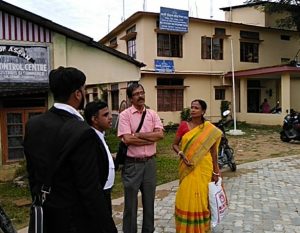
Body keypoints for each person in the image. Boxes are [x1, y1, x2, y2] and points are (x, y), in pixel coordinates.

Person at [23, 67, 117, 233]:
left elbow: (33, 175)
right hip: (74, 221)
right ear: (77, 94)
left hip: (45, 217)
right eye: (83, 89)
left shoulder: (33, 124)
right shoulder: (82, 132)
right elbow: (90, 191)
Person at [118, 83, 164, 233]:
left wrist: (138, 135)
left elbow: (160, 135)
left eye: (142, 92)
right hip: (132, 165)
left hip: (150, 163)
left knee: (149, 202)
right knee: (130, 205)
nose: (141, 96)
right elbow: (127, 139)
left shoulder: (152, 114)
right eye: (137, 94)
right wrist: (150, 138)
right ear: (131, 98)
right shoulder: (125, 115)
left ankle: (148, 231)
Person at [172, 99, 222, 233]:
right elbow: (174, 144)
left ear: (203, 111)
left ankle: (201, 229)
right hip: (187, 167)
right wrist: (181, 153)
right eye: (192, 107)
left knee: (202, 199)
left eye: (196, 108)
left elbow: (213, 152)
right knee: (185, 196)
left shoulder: (209, 129)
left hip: (204, 167)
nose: (193, 110)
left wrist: (216, 171)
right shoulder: (184, 126)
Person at [84, 100, 115, 216]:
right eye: (106, 115)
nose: (111, 118)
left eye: (110, 114)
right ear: (94, 119)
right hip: (98, 193)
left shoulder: (100, 136)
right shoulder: (91, 140)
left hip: (106, 190)